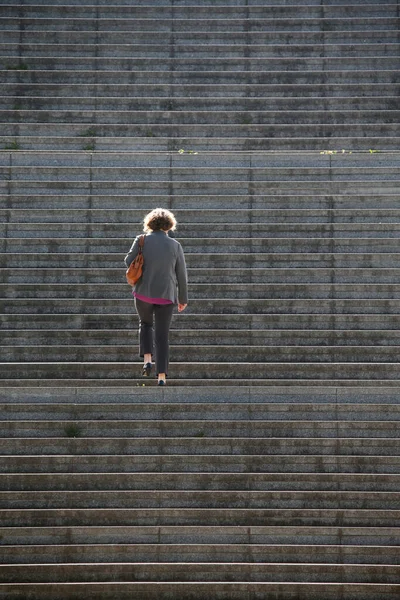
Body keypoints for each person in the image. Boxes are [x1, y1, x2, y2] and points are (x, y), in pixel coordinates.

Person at [124, 208, 188, 386]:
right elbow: (181, 274)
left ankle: (147, 359)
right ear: (169, 225)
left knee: (145, 324)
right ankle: (161, 376)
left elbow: (128, 261)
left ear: (150, 223)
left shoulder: (141, 240)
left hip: (143, 292)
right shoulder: (175, 246)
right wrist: (183, 298)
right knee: (162, 336)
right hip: (166, 295)